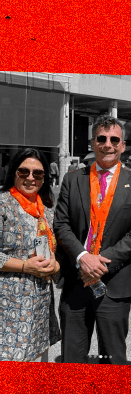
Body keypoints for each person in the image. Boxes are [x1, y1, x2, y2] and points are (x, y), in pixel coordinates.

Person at [53, 115, 131, 364]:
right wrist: (83, 257)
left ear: (123, 145)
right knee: (72, 360)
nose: (108, 145)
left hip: (114, 283)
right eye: (102, 139)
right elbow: (61, 224)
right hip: (76, 281)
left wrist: (99, 263)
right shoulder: (72, 179)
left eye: (114, 140)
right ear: (92, 143)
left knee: (112, 360)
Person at [0, 148, 62, 362]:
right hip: (7, 305)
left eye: (38, 173)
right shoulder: (3, 205)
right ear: (13, 173)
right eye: (24, 171)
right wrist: (25, 266)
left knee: (36, 363)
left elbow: (55, 251)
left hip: (39, 304)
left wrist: (55, 266)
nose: (30, 178)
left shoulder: (47, 211)